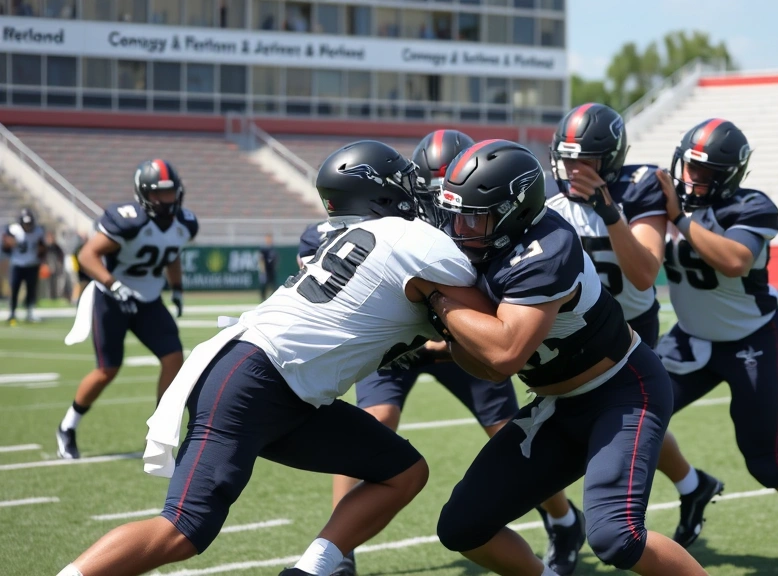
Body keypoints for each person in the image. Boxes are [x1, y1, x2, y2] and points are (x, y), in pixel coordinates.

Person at [55, 141, 481, 576]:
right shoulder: (415, 240)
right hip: (253, 379)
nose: (421, 193)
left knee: (403, 471)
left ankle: (310, 571)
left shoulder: (364, 237)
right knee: (182, 529)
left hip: (286, 388)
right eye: (406, 184)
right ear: (384, 195)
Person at [429, 139, 707, 575]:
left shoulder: (548, 247)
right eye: (456, 214)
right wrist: (451, 342)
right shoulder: (486, 246)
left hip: (621, 392)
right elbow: (486, 368)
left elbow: (503, 356)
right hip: (556, 406)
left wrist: (438, 298)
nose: (459, 228)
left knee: (615, 537)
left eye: (473, 215)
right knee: (462, 526)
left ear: (514, 211)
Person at [328, 130, 583, 576]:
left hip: (458, 336)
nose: (446, 211)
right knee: (371, 425)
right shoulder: (385, 222)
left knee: (504, 427)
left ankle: (561, 519)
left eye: (451, 197)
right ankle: (339, 549)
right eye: (431, 193)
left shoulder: (486, 230)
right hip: (399, 346)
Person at [654, 119, 778, 575]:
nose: (692, 178)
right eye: (689, 167)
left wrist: (679, 217)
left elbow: (735, 261)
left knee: (765, 462)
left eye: (705, 171)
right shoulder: (664, 200)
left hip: (750, 340)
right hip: (690, 335)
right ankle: (692, 485)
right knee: (635, 413)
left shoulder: (751, 206)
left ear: (729, 174)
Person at [546, 103, 714, 545]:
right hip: (575, 330)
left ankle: (579, 530)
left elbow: (643, 273)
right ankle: (694, 485)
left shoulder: (638, 189)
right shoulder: (549, 198)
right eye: (568, 159)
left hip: (631, 328)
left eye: (587, 161)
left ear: (612, 160)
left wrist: (609, 212)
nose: (575, 170)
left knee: (609, 424)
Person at [57, 160, 198, 460]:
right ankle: (68, 426)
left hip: (148, 299)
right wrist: (113, 283)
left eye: (171, 192)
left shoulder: (184, 223)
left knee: (173, 358)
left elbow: (171, 254)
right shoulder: (129, 220)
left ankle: (160, 431)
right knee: (107, 369)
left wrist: (177, 289)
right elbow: (87, 255)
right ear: (144, 194)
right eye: (160, 194)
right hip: (112, 298)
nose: (167, 200)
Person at [2, 207, 46, 324]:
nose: (27, 226)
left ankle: (30, 312)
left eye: (29, 223)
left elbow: (43, 248)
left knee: (31, 291)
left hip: (32, 264)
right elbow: (5, 247)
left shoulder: (38, 231)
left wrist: (41, 252)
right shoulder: (13, 230)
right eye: (25, 223)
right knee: (14, 290)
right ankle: (12, 313)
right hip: (17, 264)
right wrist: (9, 242)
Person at [258, 233, 279, 300]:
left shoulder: (273, 248)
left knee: (274, 286)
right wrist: (262, 269)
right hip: (266, 270)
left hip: (272, 270)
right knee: (264, 285)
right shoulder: (263, 249)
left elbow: (276, 258)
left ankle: (272, 298)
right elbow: (261, 259)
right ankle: (263, 299)